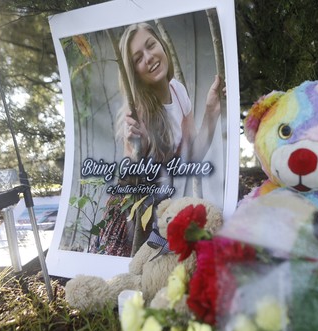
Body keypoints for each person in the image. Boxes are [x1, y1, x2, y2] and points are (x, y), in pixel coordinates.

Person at [91, 22, 223, 257]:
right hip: (134, 211)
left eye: (151, 45)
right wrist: (134, 151)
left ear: (161, 44)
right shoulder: (136, 113)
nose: (149, 57)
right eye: (138, 58)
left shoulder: (178, 91)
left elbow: (192, 155)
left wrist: (211, 110)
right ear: (134, 72)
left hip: (161, 206)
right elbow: (130, 178)